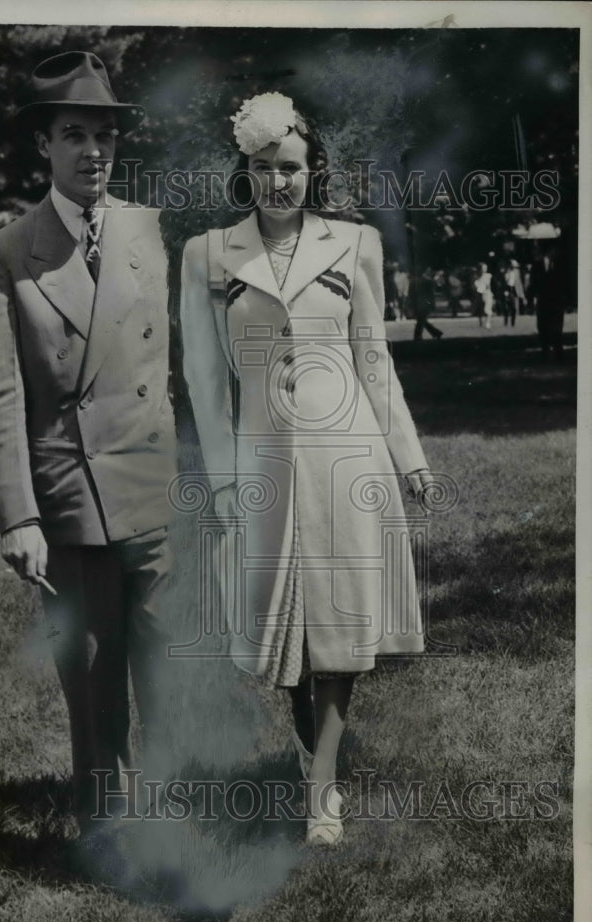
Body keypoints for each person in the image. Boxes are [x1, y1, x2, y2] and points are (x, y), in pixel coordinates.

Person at [181, 92, 433, 846]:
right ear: (245, 172)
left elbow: (372, 357)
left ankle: (321, 787)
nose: (277, 182)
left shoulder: (353, 244)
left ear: (311, 169)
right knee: (280, 640)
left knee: (336, 627)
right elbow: (201, 380)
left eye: (289, 168)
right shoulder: (207, 254)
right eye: (262, 169)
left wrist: (407, 455)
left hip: (344, 453)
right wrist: (225, 480)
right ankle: (307, 762)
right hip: (263, 463)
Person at [0, 51, 177, 824]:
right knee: (93, 677)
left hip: (156, 486)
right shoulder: (3, 253)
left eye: (105, 136)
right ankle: (107, 828)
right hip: (70, 496)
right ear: (43, 147)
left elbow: (181, 364)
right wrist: (17, 515)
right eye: (74, 134)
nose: (93, 151)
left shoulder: (153, 232)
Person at [531, 241, 566, 361]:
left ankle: (558, 353)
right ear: (549, 250)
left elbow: (564, 283)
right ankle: (544, 352)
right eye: (555, 250)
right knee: (543, 327)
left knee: (557, 328)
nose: (557, 253)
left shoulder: (560, 265)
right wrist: (532, 299)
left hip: (556, 301)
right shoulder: (537, 265)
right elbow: (533, 283)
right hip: (543, 300)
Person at [412, 266, 444, 340]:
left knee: (420, 321)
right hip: (424, 304)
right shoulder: (427, 281)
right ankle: (436, 333)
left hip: (422, 304)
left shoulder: (420, 281)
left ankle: (417, 336)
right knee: (422, 320)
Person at [502, 259, 525, 326]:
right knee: (506, 307)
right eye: (513, 265)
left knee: (514, 307)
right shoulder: (506, 272)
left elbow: (519, 283)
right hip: (507, 289)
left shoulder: (517, 272)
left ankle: (513, 323)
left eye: (515, 265)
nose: (514, 267)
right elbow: (503, 281)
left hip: (514, 290)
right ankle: (506, 322)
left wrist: (521, 294)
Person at [473, 262, 493, 330]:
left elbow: (488, 286)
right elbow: (476, 286)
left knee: (487, 310)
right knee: (479, 310)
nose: (485, 269)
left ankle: (488, 323)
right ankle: (481, 322)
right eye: (483, 268)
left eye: (485, 268)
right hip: (479, 294)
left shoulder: (488, 276)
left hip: (487, 294)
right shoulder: (476, 277)